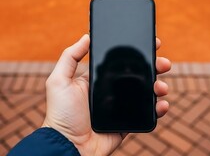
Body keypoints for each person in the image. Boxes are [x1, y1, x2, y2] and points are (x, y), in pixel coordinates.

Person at [8, 34, 171, 156]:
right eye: (117, 68)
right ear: (99, 76)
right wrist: (66, 135)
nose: (126, 76)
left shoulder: (143, 111)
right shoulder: (90, 113)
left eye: (135, 69)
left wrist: (62, 141)